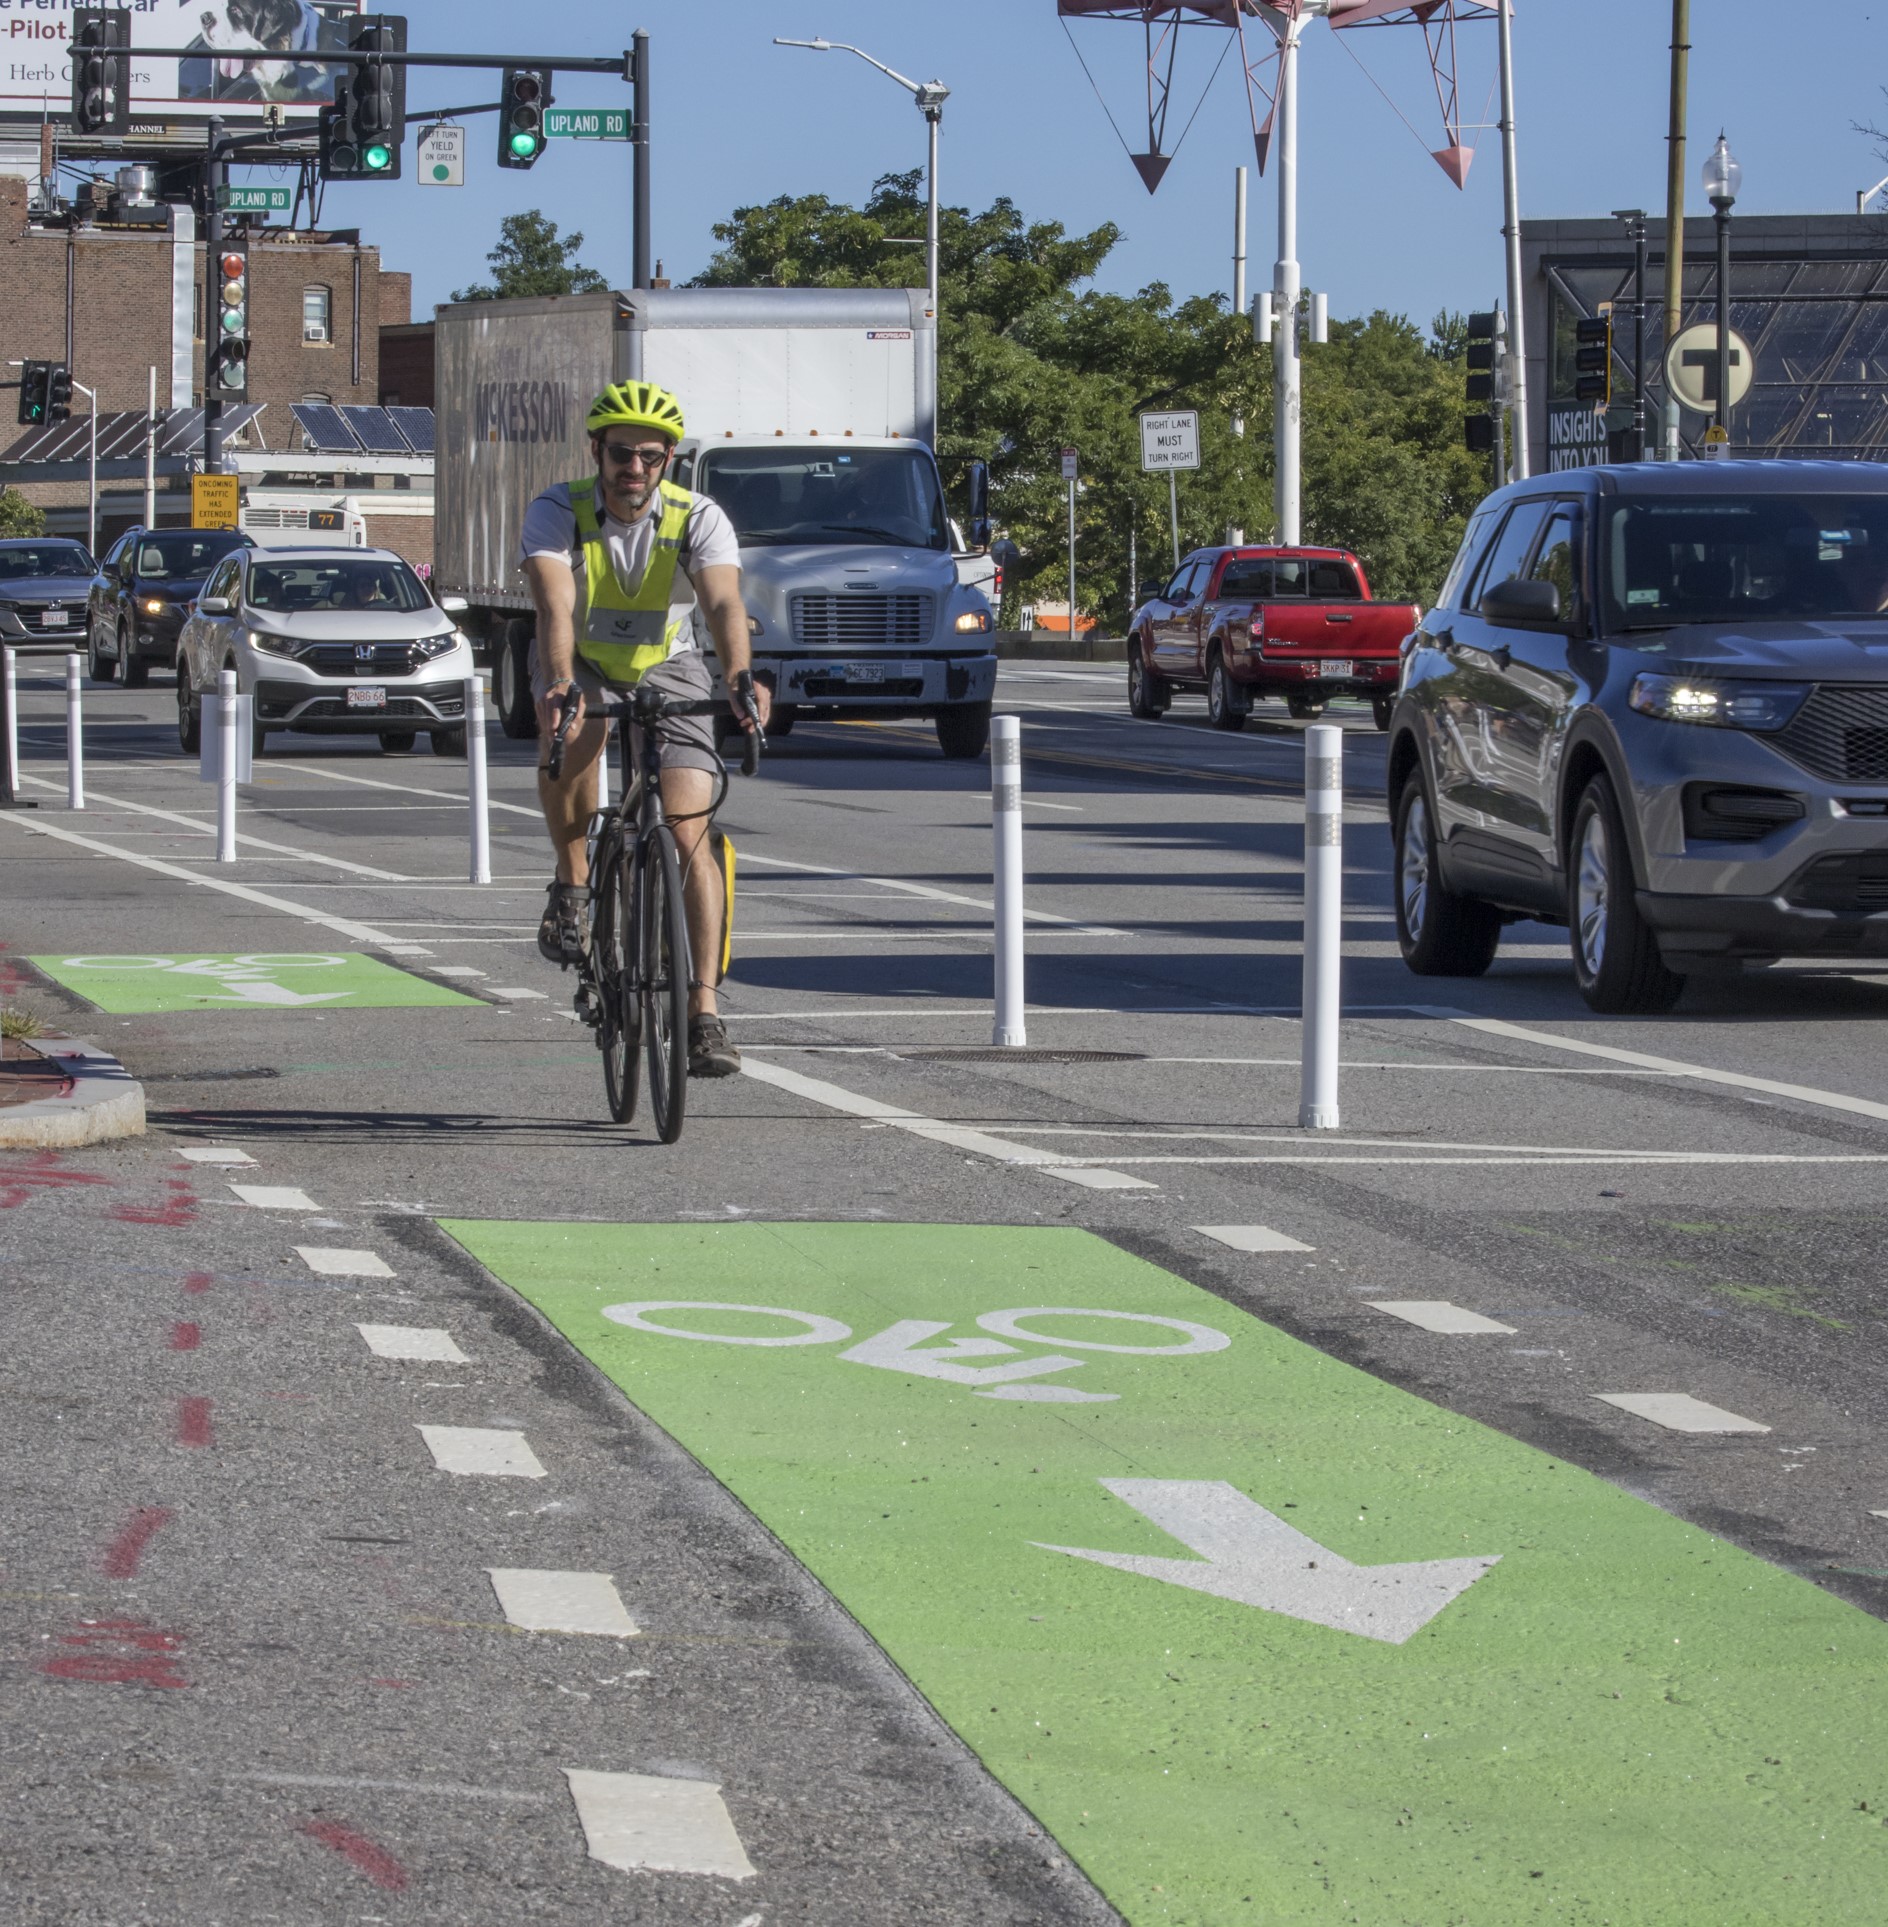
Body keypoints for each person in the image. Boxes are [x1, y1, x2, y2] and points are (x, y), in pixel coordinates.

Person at [520, 380, 769, 1079]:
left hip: (669, 662)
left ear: (668, 462)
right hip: (583, 660)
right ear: (596, 451)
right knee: (575, 737)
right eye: (622, 453)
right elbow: (554, 605)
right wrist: (562, 683)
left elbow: (722, 600)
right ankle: (572, 883)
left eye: (650, 457)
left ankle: (703, 1013)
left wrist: (739, 676)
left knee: (689, 826)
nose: (635, 469)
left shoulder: (699, 516)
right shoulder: (557, 511)